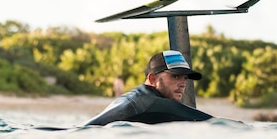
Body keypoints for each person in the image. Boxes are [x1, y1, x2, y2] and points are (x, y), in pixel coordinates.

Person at [85, 50, 213, 126]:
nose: (183, 83)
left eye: (185, 78)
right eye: (175, 77)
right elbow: (207, 121)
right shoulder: (152, 103)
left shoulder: (135, 96)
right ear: (152, 79)